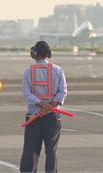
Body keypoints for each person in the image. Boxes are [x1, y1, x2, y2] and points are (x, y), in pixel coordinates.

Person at [20, 41, 67, 173]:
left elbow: (26, 93)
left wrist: (40, 103)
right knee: (51, 151)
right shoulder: (58, 70)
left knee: (30, 152)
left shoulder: (29, 71)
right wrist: (51, 105)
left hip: (33, 117)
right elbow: (62, 91)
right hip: (53, 116)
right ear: (48, 54)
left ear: (35, 54)